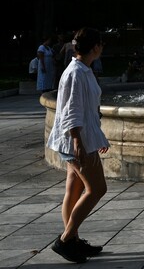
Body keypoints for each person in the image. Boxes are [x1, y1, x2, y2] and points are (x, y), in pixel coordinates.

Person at [47, 27, 110, 264]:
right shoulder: (76, 73)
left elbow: (87, 109)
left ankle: (72, 240)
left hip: (80, 138)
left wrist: (98, 137)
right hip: (76, 140)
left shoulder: (83, 70)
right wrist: (78, 142)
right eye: (101, 43)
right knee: (97, 189)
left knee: (73, 189)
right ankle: (65, 240)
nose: (102, 47)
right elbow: (72, 110)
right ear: (95, 47)